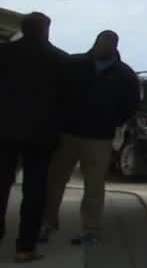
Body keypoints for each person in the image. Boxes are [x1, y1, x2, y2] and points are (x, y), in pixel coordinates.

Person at [43, 30, 139, 246]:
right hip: (68, 132)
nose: (101, 47)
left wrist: (112, 120)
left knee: (94, 185)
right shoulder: (74, 64)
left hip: (99, 137)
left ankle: (90, 228)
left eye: (106, 44)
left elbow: (131, 104)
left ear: (114, 46)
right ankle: (47, 223)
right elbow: (56, 91)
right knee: (55, 180)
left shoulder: (124, 75)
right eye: (99, 43)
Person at [0, 13, 69, 262]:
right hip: (42, 135)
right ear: (46, 30)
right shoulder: (60, 59)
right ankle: (25, 247)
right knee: (35, 190)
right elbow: (67, 99)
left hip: (4, 132)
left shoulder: (4, 54)